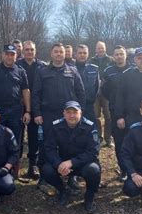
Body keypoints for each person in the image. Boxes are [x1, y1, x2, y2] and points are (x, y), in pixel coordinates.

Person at [32, 43, 85, 189]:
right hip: (48, 114)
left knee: (70, 144)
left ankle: (71, 177)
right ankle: (44, 176)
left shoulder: (73, 71)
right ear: (51, 54)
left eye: (61, 52)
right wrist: (37, 113)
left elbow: (80, 93)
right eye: (56, 52)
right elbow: (36, 94)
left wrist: (80, 112)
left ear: (65, 54)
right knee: (45, 145)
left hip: (69, 114)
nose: (58, 54)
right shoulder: (42, 72)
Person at [42, 101, 101, 213]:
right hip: (62, 163)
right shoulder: (56, 126)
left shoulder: (90, 126)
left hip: (82, 164)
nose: (72, 116)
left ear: (81, 113)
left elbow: (93, 152)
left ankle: (89, 198)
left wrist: (72, 162)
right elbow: (50, 148)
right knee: (47, 170)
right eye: (68, 112)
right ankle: (63, 191)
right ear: (63, 113)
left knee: (94, 170)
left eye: (75, 112)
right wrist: (58, 163)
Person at [0, 44, 31, 177]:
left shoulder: (21, 71)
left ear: (16, 55)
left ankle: (14, 169)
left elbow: (26, 91)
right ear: (3, 54)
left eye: (12, 54)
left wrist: (28, 111)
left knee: (15, 140)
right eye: (7, 54)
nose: (10, 56)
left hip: (16, 110)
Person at [17, 41, 47, 179]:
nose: (29, 52)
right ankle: (14, 164)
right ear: (23, 51)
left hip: (36, 105)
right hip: (18, 105)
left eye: (32, 50)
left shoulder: (42, 66)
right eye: (27, 50)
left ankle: (32, 165)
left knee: (34, 135)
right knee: (17, 135)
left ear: (35, 51)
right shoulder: (17, 65)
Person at [101, 45, 131, 181]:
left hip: (132, 111)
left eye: (121, 54)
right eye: (117, 54)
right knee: (119, 141)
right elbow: (104, 91)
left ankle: (134, 169)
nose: (119, 56)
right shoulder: (108, 72)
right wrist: (114, 101)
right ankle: (124, 170)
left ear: (125, 55)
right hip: (115, 110)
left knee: (132, 140)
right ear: (113, 56)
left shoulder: (133, 70)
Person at [90, 41, 114, 147]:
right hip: (95, 92)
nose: (100, 50)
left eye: (102, 48)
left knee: (108, 116)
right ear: (95, 50)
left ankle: (108, 139)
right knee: (96, 116)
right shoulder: (91, 61)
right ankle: (99, 138)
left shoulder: (111, 60)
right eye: (98, 48)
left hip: (107, 92)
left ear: (105, 49)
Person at [75, 44, 99, 124]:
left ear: (88, 54)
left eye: (84, 53)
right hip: (74, 107)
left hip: (89, 106)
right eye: (80, 53)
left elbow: (96, 87)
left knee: (91, 129)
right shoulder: (69, 69)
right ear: (75, 54)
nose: (82, 55)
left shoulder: (94, 68)